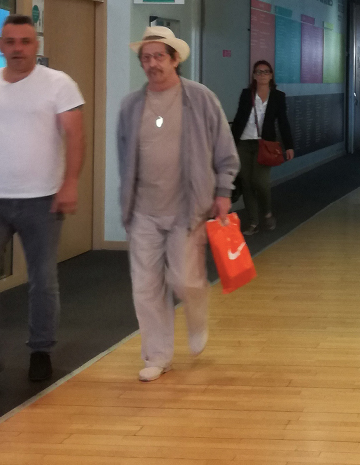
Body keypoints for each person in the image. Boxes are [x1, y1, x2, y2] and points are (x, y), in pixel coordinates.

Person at [0, 15, 85, 387]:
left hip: (41, 200)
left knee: (42, 279)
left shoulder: (59, 84)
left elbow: (75, 136)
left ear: (36, 45)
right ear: (0, 46)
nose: (18, 49)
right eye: (10, 42)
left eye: (25, 42)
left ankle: (40, 351)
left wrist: (70, 183)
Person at [118, 26, 239, 382]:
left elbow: (225, 150)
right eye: (146, 57)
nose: (152, 64)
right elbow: (125, 157)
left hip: (188, 209)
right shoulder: (130, 106)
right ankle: (157, 356)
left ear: (174, 59)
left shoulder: (200, 99)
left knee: (185, 280)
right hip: (143, 210)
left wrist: (223, 192)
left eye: (159, 56)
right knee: (145, 286)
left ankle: (197, 316)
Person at [231, 60, 295, 236]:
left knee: (260, 181)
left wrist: (289, 145)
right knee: (246, 182)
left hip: (265, 144)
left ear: (271, 75)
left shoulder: (278, 96)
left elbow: (283, 122)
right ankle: (253, 222)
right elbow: (239, 119)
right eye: (258, 72)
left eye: (266, 72)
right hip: (244, 142)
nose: (262, 75)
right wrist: (230, 143)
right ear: (254, 75)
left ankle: (266, 212)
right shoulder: (247, 94)